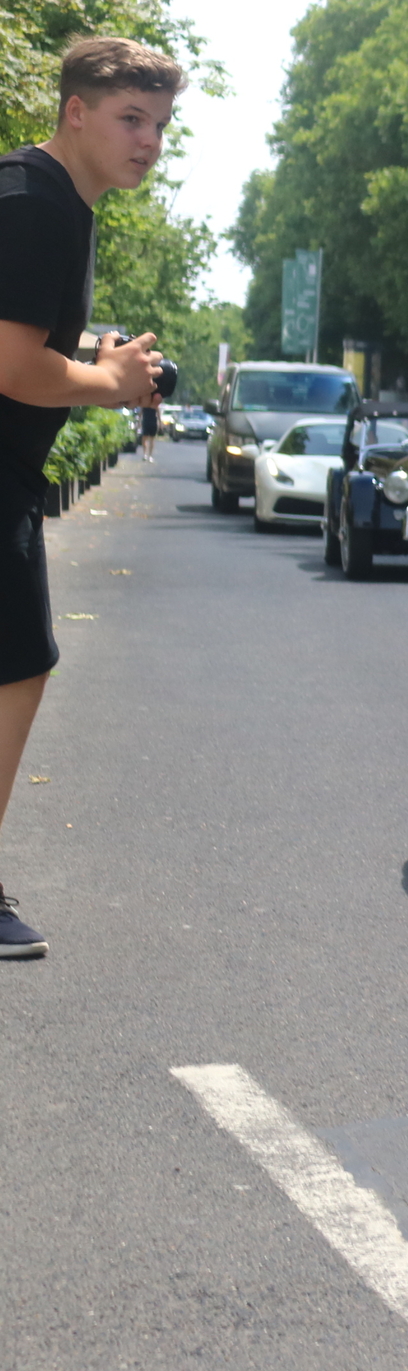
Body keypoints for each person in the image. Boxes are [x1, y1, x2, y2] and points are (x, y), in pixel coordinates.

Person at [0, 37, 182, 960]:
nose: (149, 140)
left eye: (159, 124)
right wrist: (109, 383)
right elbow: (13, 367)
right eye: (130, 118)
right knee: (17, 663)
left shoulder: (46, 196)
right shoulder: (36, 206)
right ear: (77, 111)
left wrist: (100, 365)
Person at [137, 390, 159, 460]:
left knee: (152, 439)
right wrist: (139, 422)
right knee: (144, 438)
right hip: (146, 421)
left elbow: (158, 413)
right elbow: (140, 413)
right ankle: (144, 454)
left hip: (153, 422)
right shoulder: (144, 404)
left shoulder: (155, 404)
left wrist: (160, 423)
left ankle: (150, 455)